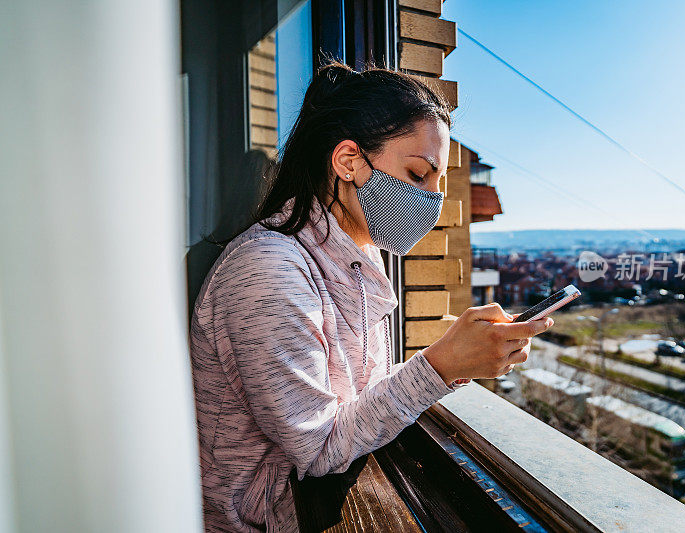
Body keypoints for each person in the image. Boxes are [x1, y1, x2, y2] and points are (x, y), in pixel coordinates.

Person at [189, 60, 555, 533]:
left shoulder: (359, 258)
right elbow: (318, 448)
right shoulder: (269, 269)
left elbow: (355, 403)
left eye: (438, 183)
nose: (432, 200)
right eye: (419, 173)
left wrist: (458, 360)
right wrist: (440, 365)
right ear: (348, 161)